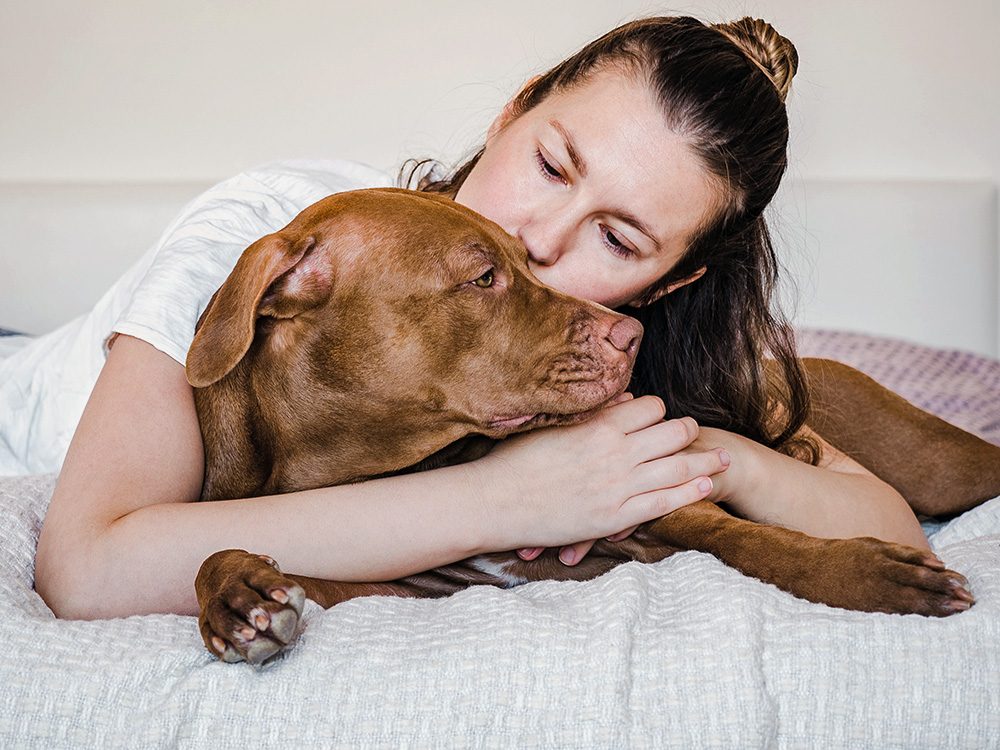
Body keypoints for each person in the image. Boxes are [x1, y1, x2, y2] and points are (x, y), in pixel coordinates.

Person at [18, 15, 928, 621]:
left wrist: (700, 459)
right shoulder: (275, 235)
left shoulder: (579, 351)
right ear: (513, 108)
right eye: (551, 165)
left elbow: (885, 530)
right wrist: (503, 500)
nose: (537, 239)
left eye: (616, 239)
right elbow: (87, 568)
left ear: (668, 284)